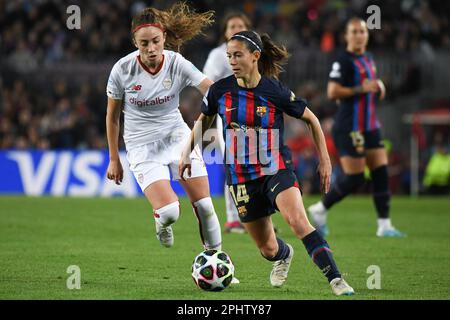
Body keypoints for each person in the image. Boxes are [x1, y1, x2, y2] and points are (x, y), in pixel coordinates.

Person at [179, 30, 354, 296]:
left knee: (297, 221)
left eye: (238, 55)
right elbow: (203, 120)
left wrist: (325, 161)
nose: (232, 61)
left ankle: (337, 280)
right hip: (240, 178)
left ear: (255, 56)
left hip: (275, 168)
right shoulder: (219, 90)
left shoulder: (274, 90)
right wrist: (186, 153)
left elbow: (312, 120)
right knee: (268, 249)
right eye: (229, 56)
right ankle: (285, 255)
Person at [105, 3, 222, 253]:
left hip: (177, 137)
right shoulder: (122, 70)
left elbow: (211, 89)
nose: (151, 48)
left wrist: (230, 99)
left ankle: (218, 261)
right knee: (169, 212)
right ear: (135, 42)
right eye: (144, 43)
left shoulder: (176, 63)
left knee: (205, 205)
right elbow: (113, 117)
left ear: (164, 38)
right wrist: (114, 159)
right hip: (141, 145)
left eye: (155, 41)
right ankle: (162, 223)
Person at [308, 18, 406, 238]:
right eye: (354, 31)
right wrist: (362, 88)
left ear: (367, 35)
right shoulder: (342, 61)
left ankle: (384, 225)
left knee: (381, 172)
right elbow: (332, 92)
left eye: (362, 31)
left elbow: (368, 86)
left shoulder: (368, 58)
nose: (359, 35)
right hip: (349, 126)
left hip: (370, 125)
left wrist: (378, 84)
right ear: (347, 36)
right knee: (356, 177)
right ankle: (321, 209)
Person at [202, 12, 251, 234]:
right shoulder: (218, 55)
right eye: (232, 25)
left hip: (254, 113)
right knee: (234, 164)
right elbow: (207, 84)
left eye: (241, 25)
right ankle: (233, 217)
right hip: (228, 115)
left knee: (255, 165)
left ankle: (253, 216)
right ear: (225, 31)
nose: (236, 28)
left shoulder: (254, 53)